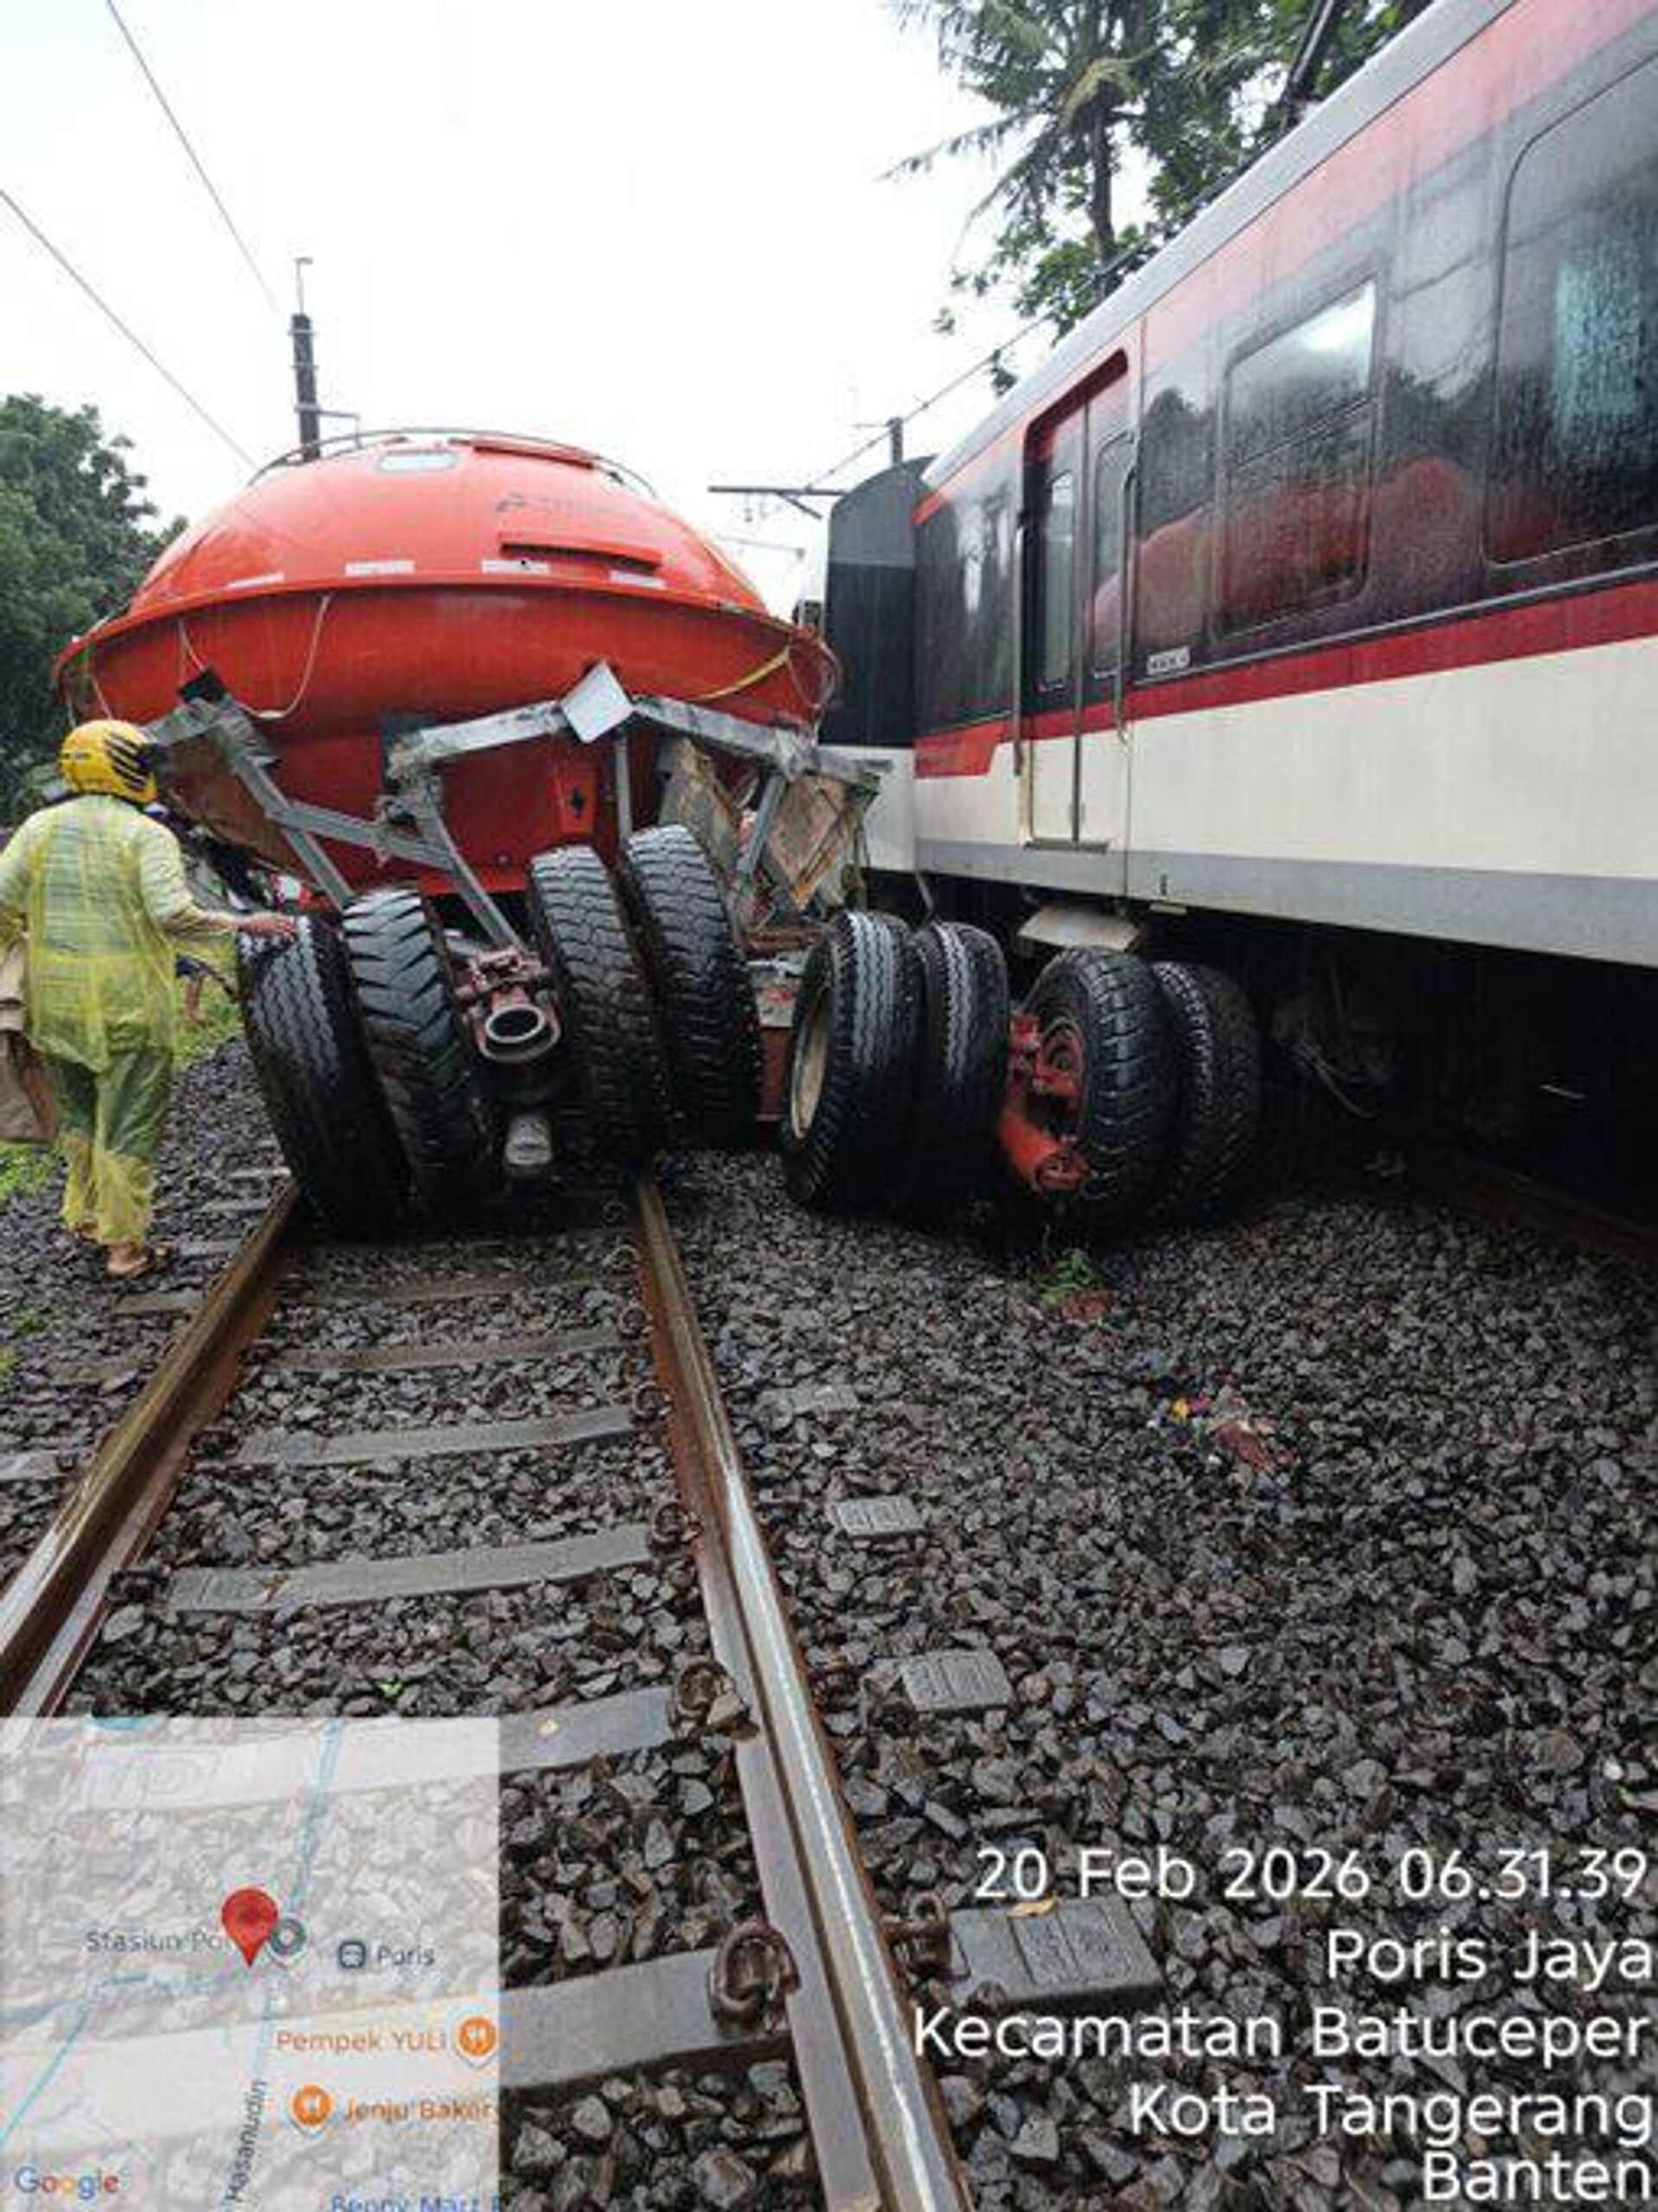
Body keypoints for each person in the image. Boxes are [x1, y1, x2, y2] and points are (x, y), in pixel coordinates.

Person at [0, 719, 296, 1280]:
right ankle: (125, 1247)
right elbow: (171, 914)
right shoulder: (144, 834)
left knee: (82, 1120)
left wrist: (20, 946)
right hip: (128, 1007)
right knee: (128, 1126)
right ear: (125, 766)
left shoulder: (38, 828)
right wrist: (243, 922)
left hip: (55, 1006)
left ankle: (86, 1218)